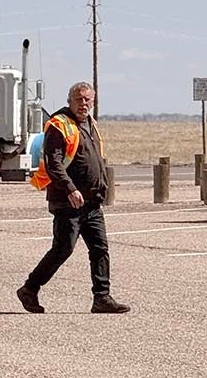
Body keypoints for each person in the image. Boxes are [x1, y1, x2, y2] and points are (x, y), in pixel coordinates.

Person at [17, 82, 130, 314]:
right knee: (63, 249)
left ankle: (102, 297)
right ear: (70, 101)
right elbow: (53, 164)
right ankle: (29, 288)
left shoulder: (90, 123)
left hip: (92, 203)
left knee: (100, 248)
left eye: (88, 100)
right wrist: (70, 189)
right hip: (67, 202)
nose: (84, 104)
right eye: (79, 100)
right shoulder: (59, 125)